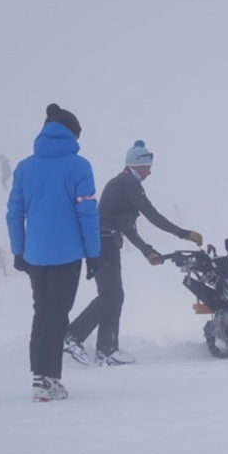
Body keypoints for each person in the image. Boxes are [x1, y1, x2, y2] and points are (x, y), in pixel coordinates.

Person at [65, 140, 203, 366]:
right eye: (148, 166)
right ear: (137, 165)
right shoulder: (129, 184)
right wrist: (183, 233)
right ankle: (75, 338)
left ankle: (106, 350)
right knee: (111, 296)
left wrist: (147, 251)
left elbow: (127, 227)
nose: (150, 171)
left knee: (113, 296)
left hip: (105, 243)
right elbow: (153, 215)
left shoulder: (123, 184)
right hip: (104, 244)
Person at [6, 103, 101, 402]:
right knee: (58, 314)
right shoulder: (79, 166)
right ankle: (46, 380)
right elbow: (87, 213)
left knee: (42, 311)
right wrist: (93, 254)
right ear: (71, 134)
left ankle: (40, 374)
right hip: (67, 255)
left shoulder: (25, 167)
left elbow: (14, 213)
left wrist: (19, 251)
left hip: (35, 255)